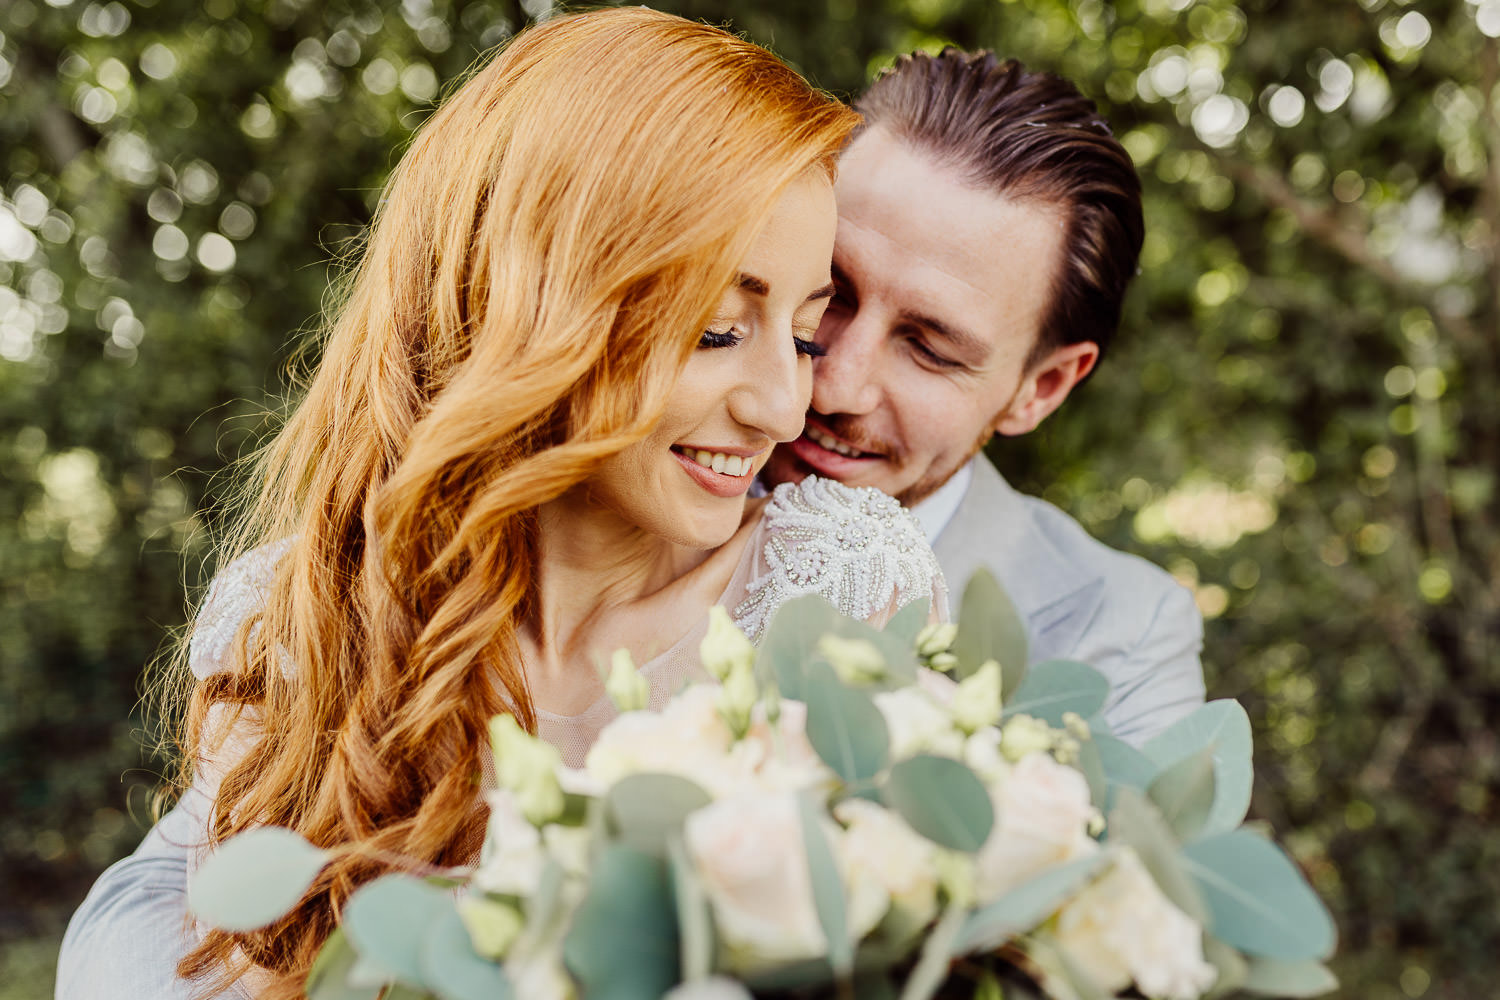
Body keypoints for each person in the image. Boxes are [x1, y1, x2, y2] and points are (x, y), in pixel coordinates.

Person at [56, 10, 944, 998]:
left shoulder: (839, 593)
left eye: (805, 334)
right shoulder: (296, 619)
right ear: (534, 310)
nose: (784, 403)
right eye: (715, 331)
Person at [762, 48, 1205, 747]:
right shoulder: (620, 476)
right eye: (829, 289)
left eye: (930, 348)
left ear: (1041, 389)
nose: (834, 381)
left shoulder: (1122, 636)